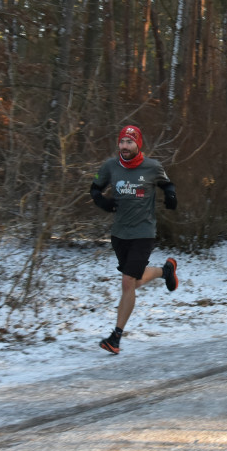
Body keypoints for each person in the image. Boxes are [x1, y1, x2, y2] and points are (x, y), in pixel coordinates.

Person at [90, 125, 178, 354]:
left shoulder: (152, 167)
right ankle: (165, 271)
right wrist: (102, 201)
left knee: (128, 282)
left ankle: (115, 338)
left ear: (138, 144)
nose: (125, 146)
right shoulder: (110, 166)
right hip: (120, 234)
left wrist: (170, 195)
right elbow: (94, 189)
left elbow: (167, 183)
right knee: (133, 283)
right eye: (122, 142)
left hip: (143, 232)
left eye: (130, 142)